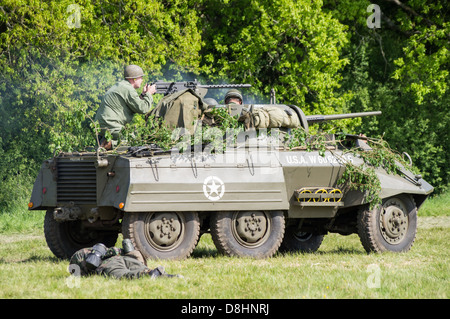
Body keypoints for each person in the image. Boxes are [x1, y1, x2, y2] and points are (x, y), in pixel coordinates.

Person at [95, 65, 157, 150]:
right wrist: (149, 94)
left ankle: (106, 142)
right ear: (134, 79)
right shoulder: (128, 89)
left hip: (102, 124)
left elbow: (133, 105)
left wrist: (143, 95)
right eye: (141, 77)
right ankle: (109, 144)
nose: (142, 80)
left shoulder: (122, 86)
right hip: (111, 125)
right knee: (133, 140)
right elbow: (143, 109)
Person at [69, 240, 182, 279]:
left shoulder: (82, 259)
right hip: (125, 257)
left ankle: (152, 273)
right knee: (141, 267)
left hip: (110, 264)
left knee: (125, 276)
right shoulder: (101, 251)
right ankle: (166, 275)